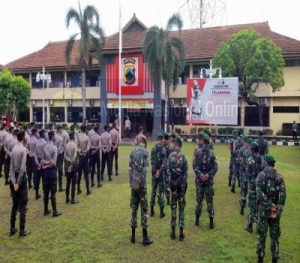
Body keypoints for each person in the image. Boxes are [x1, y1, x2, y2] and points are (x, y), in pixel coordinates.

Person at [256, 155, 286, 263]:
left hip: (263, 210)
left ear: (266, 163)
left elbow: (259, 193)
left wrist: (268, 204)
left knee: (261, 235)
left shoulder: (260, 175)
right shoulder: (279, 176)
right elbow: (283, 194)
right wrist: (277, 208)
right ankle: (274, 258)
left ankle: (260, 258)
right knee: (275, 237)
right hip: (275, 211)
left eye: (264, 161)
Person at [129, 137, 153, 246]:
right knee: (144, 210)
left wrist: (133, 183)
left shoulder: (132, 152)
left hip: (134, 185)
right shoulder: (145, 152)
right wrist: (141, 183)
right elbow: (145, 170)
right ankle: (144, 237)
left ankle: (133, 236)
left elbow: (130, 169)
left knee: (134, 209)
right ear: (144, 143)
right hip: (142, 186)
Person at [193, 134, 218, 229]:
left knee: (199, 202)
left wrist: (200, 174)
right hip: (208, 182)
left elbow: (194, 166)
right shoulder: (212, 153)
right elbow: (215, 167)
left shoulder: (198, 152)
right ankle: (211, 222)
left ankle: (197, 221)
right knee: (209, 202)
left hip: (200, 181)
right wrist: (208, 174)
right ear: (209, 143)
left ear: (203, 142)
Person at [9, 130, 31, 237]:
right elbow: (22, 168)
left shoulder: (13, 149)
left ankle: (12, 227)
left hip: (14, 178)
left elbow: (11, 168)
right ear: (23, 138)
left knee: (14, 204)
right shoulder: (23, 149)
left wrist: (13, 181)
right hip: (21, 179)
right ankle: (22, 230)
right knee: (23, 204)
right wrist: (17, 182)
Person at [167, 136, 188, 241]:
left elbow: (168, 172)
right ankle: (181, 233)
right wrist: (181, 186)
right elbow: (185, 174)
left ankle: (172, 232)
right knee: (182, 210)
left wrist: (172, 188)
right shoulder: (183, 156)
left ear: (176, 145)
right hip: (181, 188)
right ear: (181, 145)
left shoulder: (170, 156)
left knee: (174, 209)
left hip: (173, 187)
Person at [244, 141, 264, 233]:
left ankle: (250, 226)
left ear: (252, 149)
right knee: (259, 206)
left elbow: (247, 173)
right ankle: (259, 228)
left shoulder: (249, 160)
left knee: (251, 206)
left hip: (252, 186)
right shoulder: (263, 160)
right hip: (261, 186)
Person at [42, 131, 62, 217]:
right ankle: (54, 211)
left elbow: (42, 160)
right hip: (52, 172)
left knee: (46, 192)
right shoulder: (54, 148)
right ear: (53, 137)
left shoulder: (45, 147)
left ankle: (46, 209)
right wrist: (49, 163)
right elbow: (54, 162)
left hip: (45, 173)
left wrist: (46, 164)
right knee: (53, 193)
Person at [150, 133, 167, 218]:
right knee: (161, 192)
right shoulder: (163, 149)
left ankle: (152, 211)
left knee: (153, 191)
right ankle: (161, 212)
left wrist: (155, 171)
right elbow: (164, 162)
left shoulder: (153, 148)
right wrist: (159, 171)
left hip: (154, 173)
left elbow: (152, 161)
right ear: (162, 139)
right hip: (161, 174)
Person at [238, 137, 252, 216]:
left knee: (244, 193)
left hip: (245, 175)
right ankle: (245, 210)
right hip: (247, 175)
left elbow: (240, 160)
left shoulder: (246, 150)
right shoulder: (250, 151)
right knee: (248, 194)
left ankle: (242, 208)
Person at [64, 132, 79, 204]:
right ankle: (72, 198)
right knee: (73, 183)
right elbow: (75, 155)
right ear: (73, 138)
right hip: (74, 164)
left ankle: (67, 198)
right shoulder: (74, 145)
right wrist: (72, 161)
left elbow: (65, 155)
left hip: (67, 164)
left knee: (68, 182)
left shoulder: (66, 145)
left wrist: (68, 160)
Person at [77, 125, 91, 195]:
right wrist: (84, 152)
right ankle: (88, 190)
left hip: (79, 157)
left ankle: (78, 189)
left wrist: (80, 152)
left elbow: (77, 146)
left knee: (79, 174)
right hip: (85, 157)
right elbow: (88, 148)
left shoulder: (78, 136)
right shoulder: (87, 137)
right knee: (86, 175)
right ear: (85, 129)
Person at [34, 130, 47, 200]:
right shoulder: (45, 143)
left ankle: (36, 193)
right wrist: (41, 163)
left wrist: (37, 162)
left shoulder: (37, 142)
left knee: (37, 178)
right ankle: (45, 193)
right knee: (44, 178)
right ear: (43, 134)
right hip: (43, 161)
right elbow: (44, 154)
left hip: (37, 161)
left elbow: (35, 153)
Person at [54, 126, 65, 192]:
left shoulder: (53, 136)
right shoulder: (61, 138)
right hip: (59, 156)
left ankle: (54, 186)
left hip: (52, 155)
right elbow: (60, 148)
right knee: (60, 171)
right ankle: (60, 187)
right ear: (60, 130)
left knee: (54, 171)